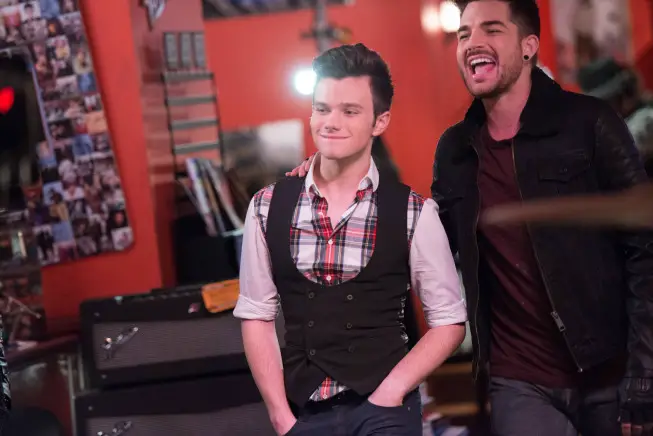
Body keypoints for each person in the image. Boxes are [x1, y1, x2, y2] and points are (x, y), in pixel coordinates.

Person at [432, 1, 652, 435]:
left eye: (492, 29)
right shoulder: (455, 149)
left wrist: (645, 372)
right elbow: (433, 245)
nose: (473, 42)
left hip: (610, 369)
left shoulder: (591, 123)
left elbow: (645, 253)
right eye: (464, 34)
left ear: (528, 46)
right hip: (518, 379)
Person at [235, 43, 467, 436]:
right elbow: (257, 314)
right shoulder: (266, 207)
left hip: (385, 410)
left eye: (350, 111)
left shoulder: (414, 212)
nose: (331, 122)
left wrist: (391, 392)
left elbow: (448, 320)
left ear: (380, 121)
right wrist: (280, 417)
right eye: (322, 108)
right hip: (302, 415)